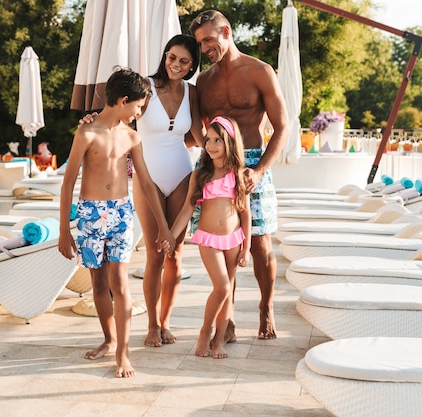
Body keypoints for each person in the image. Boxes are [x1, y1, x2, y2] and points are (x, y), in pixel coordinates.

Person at [81, 34, 206, 349]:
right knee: (154, 254)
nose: (175, 64)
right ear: (165, 56)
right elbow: (117, 115)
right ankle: (151, 325)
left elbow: (200, 137)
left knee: (176, 255)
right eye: (171, 57)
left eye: (183, 61)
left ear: (193, 66)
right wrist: (91, 118)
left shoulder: (192, 93)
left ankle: (165, 322)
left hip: (181, 172)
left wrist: (229, 149)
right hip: (145, 176)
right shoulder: (145, 87)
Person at [58, 67, 175, 378]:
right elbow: (68, 182)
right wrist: (62, 232)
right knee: (98, 284)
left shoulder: (131, 137)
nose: (139, 113)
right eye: (138, 106)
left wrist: (163, 226)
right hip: (90, 214)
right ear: (123, 100)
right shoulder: (87, 133)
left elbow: (147, 183)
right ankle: (109, 340)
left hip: (122, 213)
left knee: (120, 283)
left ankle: (122, 354)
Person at [189, 10, 289, 340]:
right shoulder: (204, 81)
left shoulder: (260, 71)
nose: (204, 48)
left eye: (208, 39)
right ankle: (227, 319)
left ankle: (266, 308)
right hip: (218, 167)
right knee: (222, 244)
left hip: (254, 163)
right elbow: (195, 132)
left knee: (260, 246)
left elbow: (282, 127)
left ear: (227, 31)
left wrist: (260, 171)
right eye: (200, 43)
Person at [164, 116, 250, 358]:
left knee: (228, 290)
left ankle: (219, 340)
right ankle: (205, 332)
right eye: (208, 140)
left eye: (217, 140)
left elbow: (245, 213)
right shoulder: (200, 175)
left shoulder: (238, 175)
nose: (211, 145)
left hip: (234, 239)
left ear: (230, 142)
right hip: (209, 239)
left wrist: (246, 247)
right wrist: (171, 235)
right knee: (222, 287)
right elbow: (186, 210)